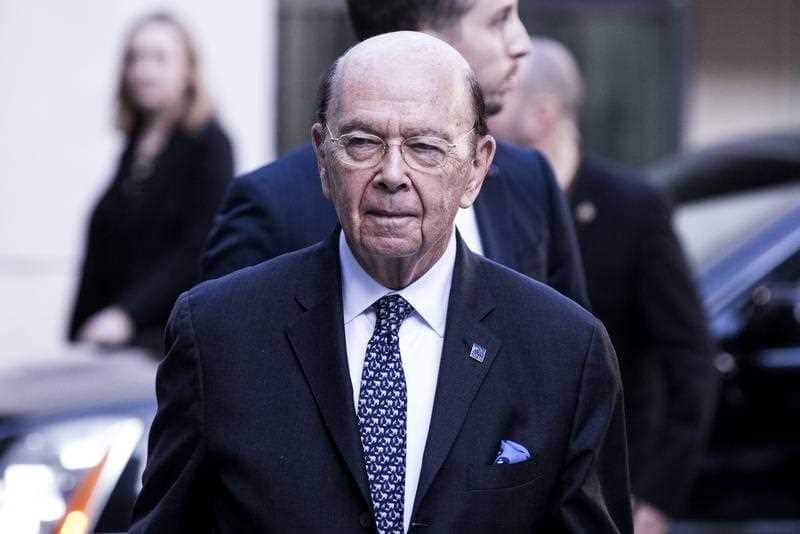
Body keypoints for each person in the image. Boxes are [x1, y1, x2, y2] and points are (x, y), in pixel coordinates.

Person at [130, 32, 632, 533]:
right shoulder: (219, 335)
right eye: (362, 143)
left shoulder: (564, 352)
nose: (393, 174)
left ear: (477, 168)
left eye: (425, 147)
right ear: (322, 158)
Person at [201, 0, 589, 309]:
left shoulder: (529, 180)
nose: (521, 43)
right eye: (498, 20)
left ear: (477, 166)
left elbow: (562, 353)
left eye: (426, 148)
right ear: (420, 36)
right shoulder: (272, 206)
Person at [490, 37, 716, 534]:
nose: (484, 115)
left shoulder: (633, 208)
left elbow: (691, 362)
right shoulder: (486, 201)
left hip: (613, 483)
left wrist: (657, 500)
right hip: (509, 486)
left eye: (501, 101)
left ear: (542, 114)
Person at [68, 12, 234, 355]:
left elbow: (196, 248)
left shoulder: (210, 145)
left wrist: (126, 316)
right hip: (110, 342)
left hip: (168, 344)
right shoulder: (134, 146)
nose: (144, 71)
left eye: (159, 58)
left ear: (188, 70)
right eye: (135, 58)